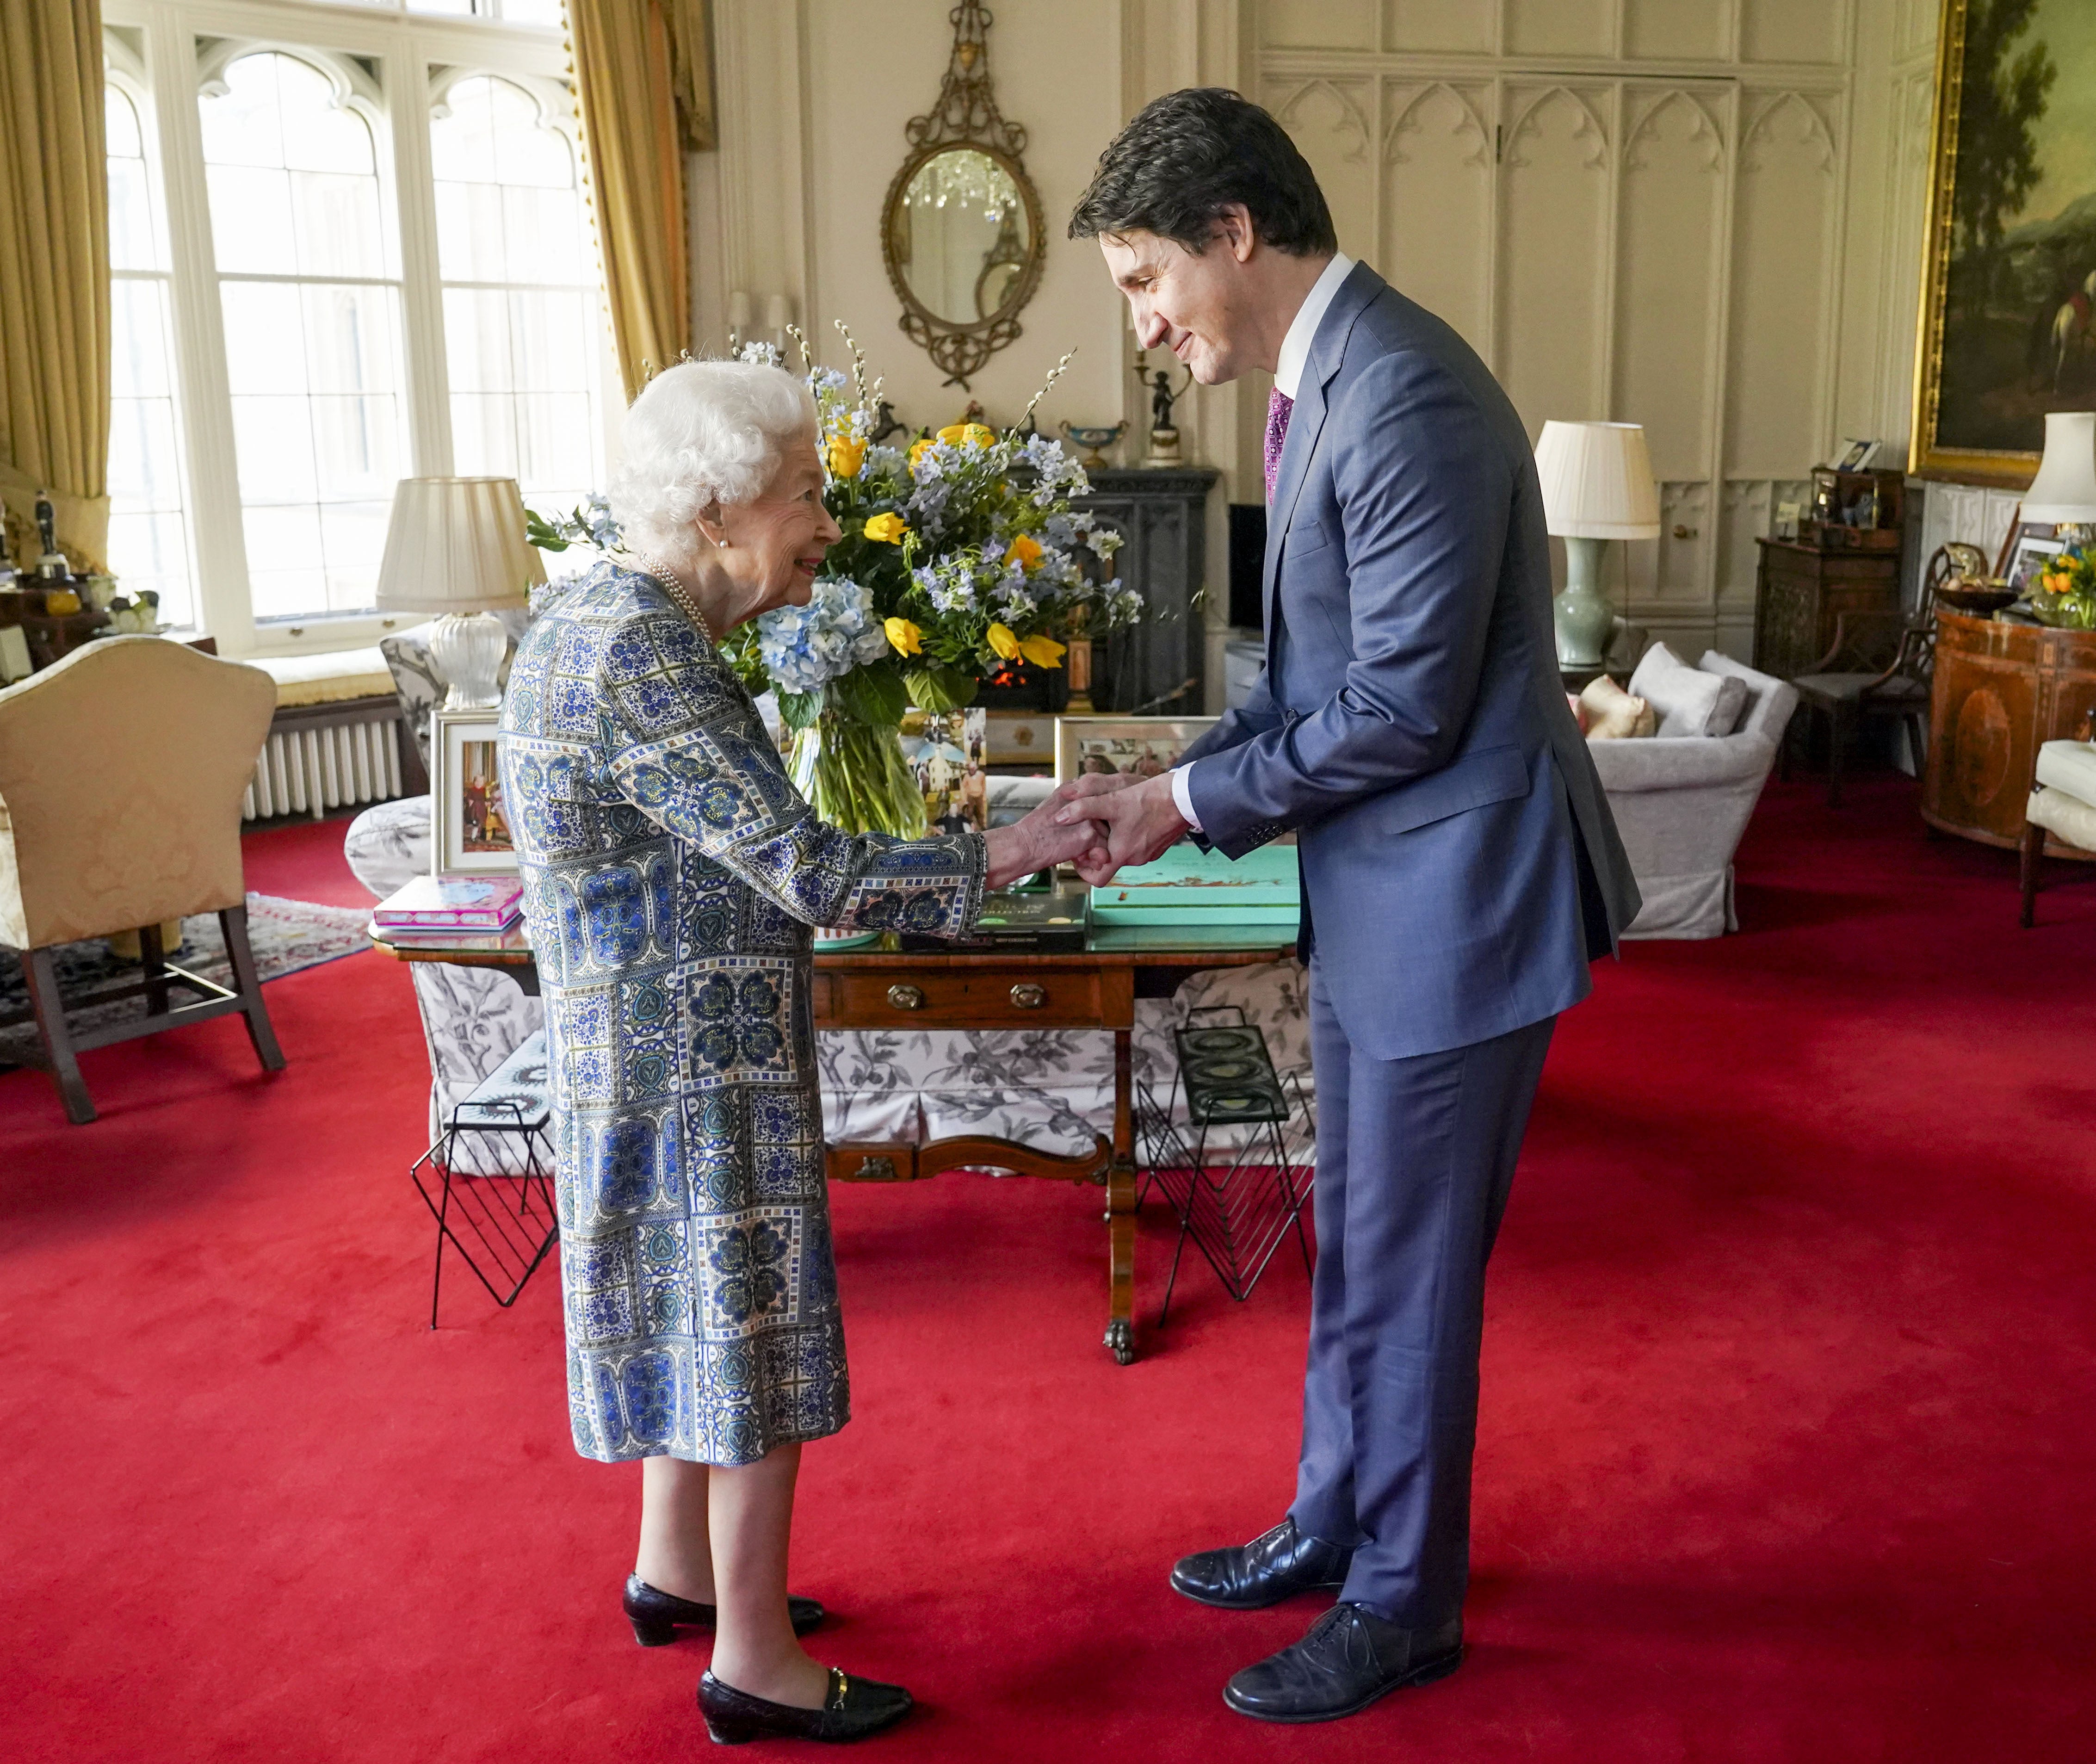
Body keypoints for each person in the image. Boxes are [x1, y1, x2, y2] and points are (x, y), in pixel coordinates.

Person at [1063, 89, 1641, 1726]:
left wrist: (1178, 807)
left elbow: (1396, 711)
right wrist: (1156, 785)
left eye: (1139, 279)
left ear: (1232, 234)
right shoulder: (1327, 380)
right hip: (1388, 894)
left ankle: (1404, 1599)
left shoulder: (1401, 397)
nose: (1145, 322)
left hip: (1458, 903)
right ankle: (1334, 1520)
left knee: (1409, 1267)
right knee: (1362, 1253)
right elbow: (1307, 680)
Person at [498, 359, 1104, 1746]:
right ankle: (753, 1662)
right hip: (690, 1064)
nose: (826, 524)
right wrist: (1007, 848)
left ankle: (676, 1572)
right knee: (748, 1332)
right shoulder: (640, 649)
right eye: (806, 497)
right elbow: (812, 873)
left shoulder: (601, 614)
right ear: (717, 511)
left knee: (688, 1309)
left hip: (640, 1042)